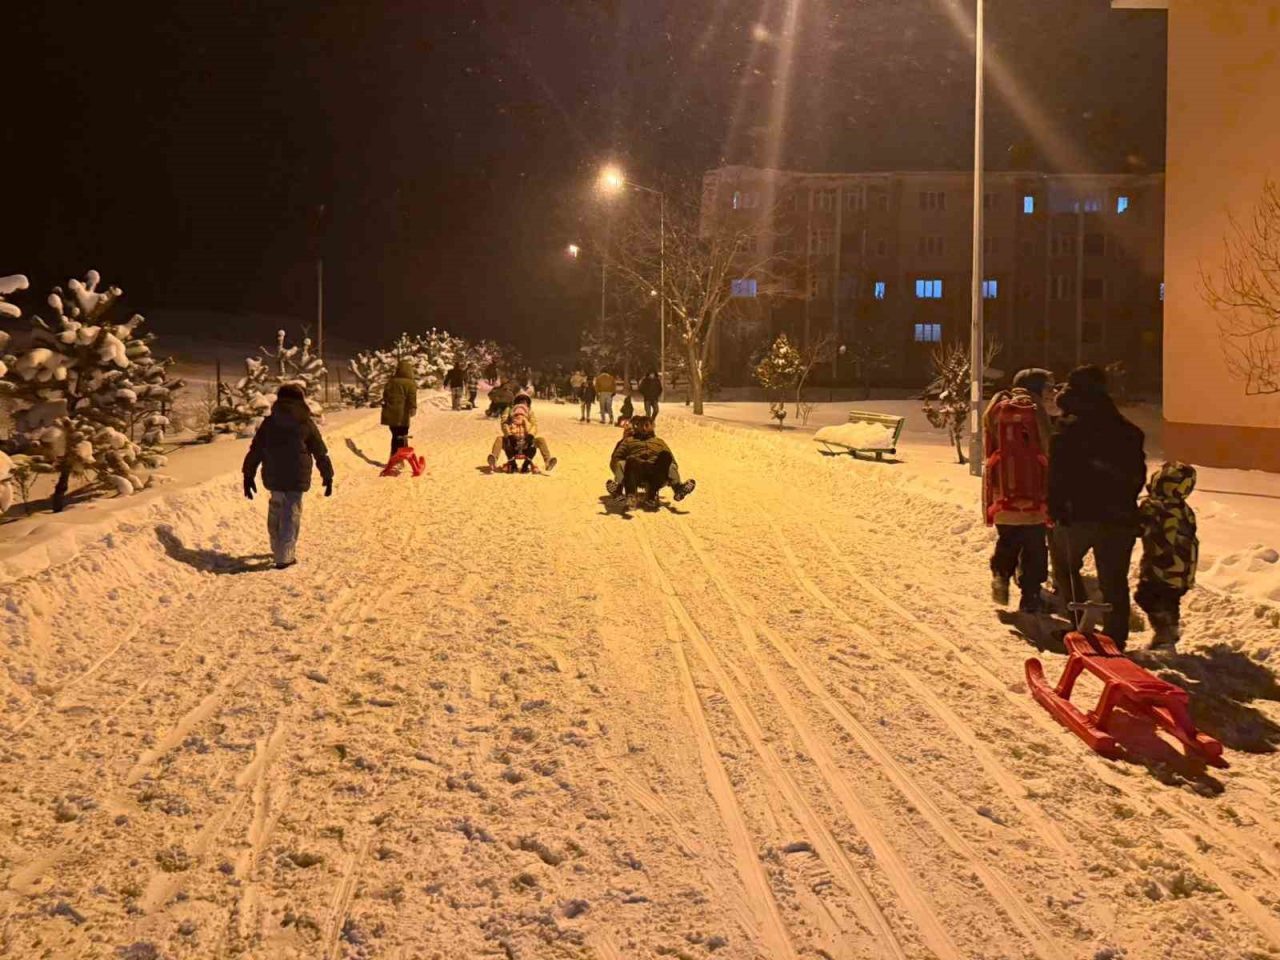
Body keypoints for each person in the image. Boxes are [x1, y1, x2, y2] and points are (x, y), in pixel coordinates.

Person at [1047, 365, 1147, 649]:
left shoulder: (1067, 430)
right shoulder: (1129, 432)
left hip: (1076, 516)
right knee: (1114, 578)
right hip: (1119, 517)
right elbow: (1136, 476)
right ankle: (1116, 636)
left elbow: (1057, 477)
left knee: (1065, 567)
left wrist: (1056, 510)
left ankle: (1077, 626)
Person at [983, 368, 1054, 613]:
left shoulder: (996, 408)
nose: (1051, 393)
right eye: (1047, 388)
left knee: (1009, 538)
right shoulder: (1034, 410)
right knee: (1035, 543)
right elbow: (1047, 446)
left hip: (1003, 489)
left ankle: (1001, 575)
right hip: (1033, 489)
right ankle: (1030, 595)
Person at [242, 384, 334, 570]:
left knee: (276, 509)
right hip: (296, 476)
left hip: (273, 474)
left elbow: (256, 450)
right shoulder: (305, 422)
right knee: (291, 513)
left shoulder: (269, 422)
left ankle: (278, 548)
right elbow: (320, 451)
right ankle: (284, 556)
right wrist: (328, 474)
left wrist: (248, 474)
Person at [1135, 462, 1199, 651]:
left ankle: (1165, 633)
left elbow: (1141, 528)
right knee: (1169, 600)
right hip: (1182, 570)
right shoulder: (1183, 509)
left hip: (1162, 567)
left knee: (1146, 596)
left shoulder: (1157, 507)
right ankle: (1169, 630)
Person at [605, 415, 696, 509]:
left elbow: (672, 461)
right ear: (637, 426)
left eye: (647, 425)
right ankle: (627, 494)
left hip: (655, 472)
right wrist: (621, 475)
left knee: (666, 456)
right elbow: (616, 457)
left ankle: (677, 489)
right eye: (642, 425)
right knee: (630, 460)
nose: (644, 428)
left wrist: (669, 475)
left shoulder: (659, 442)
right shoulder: (629, 441)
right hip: (636, 470)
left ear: (652, 427)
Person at [490, 394, 557, 472]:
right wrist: (510, 436)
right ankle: (494, 459)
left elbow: (534, 424)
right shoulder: (509, 410)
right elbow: (504, 423)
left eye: (525, 402)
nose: (523, 404)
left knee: (540, 440)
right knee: (499, 439)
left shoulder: (529, 412)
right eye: (521, 401)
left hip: (526, 439)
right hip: (512, 440)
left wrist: (530, 435)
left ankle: (548, 461)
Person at [381, 359, 417, 459]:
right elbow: (411, 397)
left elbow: (385, 396)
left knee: (395, 436)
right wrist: (413, 408)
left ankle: (394, 456)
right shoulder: (410, 383)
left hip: (390, 414)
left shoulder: (390, 382)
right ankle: (400, 458)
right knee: (402, 436)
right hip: (402, 416)